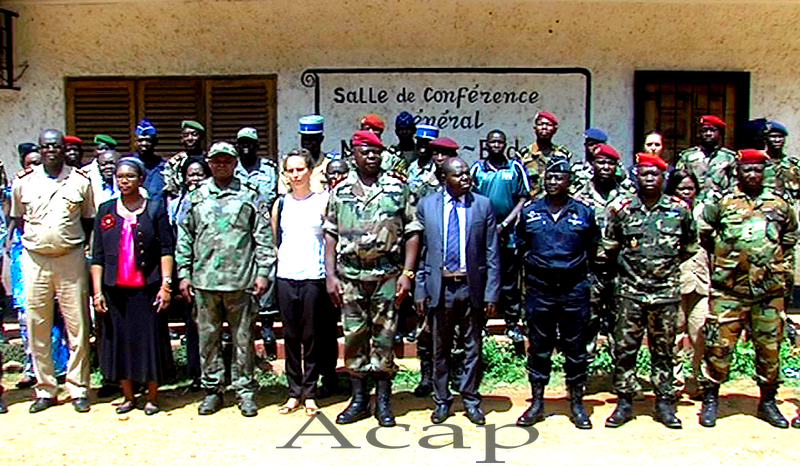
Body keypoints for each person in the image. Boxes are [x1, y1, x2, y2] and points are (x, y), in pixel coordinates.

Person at [324, 130, 422, 427]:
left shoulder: (397, 187)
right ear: (353, 155)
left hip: (387, 275)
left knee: (385, 337)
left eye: (376, 152)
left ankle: (382, 401)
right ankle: (358, 400)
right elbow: (329, 234)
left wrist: (407, 273)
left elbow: (412, 231)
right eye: (365, 152)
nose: (371, 157)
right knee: (354, 337)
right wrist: (329, 275)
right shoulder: (340, 191)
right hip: (350, 276)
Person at [696, 149, 797, 429]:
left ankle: (767, 401)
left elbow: (789, 238)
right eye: (746, 170)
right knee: (719, 346)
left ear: (764, 172)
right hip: (728, 290)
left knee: (769, 348)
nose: (752, 175)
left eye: (757, 170)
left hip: (768, 291)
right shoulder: (723, 202)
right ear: (737, 171)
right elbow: (703, 233)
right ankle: (711, 399)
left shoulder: (779, 203)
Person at [176, 141, 273, 417]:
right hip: (204, 281)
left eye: (227, 161)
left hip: (240, 281)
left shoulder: (250, 196)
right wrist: (183, 274)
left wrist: (263, 272)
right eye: (217, 161)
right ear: (209, 162)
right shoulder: (196, 197)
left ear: (234, 164)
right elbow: (185, 238)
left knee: (243, 340)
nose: (222, 165)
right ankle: (212, 390)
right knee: (208, 339)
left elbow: (263, 238)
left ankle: (244, 391)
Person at [601, 153, 696, 429]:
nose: (650, 178)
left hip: (665, 293)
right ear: (636, 177)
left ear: (664, 177)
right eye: (644, 174)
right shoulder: (621, 208)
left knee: (664, 350)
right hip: (629, 293)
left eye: (655, 174)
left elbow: (689, 247)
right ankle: (625, 402)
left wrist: (662, 271)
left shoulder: (680, 209)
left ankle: (664, 403)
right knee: (625, 349)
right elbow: (610, 248)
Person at [9, 129, 95, 414]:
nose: (51, 151)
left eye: (56, 146)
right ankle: (46, 389)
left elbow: (88, 221)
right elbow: (19, 220)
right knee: (38, 326)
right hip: (35, 260)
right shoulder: (23, 183)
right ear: (40, 149)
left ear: (63, 149)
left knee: (78, 326)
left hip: (70, 258)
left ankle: (78, 387)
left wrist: (71, 245)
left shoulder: (80, 181)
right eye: (46, 146)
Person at [515, 158, 599, 430]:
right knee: (539, 348)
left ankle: (576, 403)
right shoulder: (529, 212)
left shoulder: (584, 213)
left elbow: (593, 248)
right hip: (540, 291)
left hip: (574, 290)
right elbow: (520, 246)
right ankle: (537, 402)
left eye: (559, 178)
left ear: (569, 182)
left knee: (576, 350)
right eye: (549, 177)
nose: (553, 182)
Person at [416, 157, 499, 426]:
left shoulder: (482, 205)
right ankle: (442, 401)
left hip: (471, 286)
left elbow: (492, 252)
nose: (466, 178)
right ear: (444, 179)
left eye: (466, 173)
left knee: (472, 345)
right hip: (439, 287)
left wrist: (491, 293)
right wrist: (419, 289)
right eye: (459, 174)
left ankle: (471, 399)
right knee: (440, 347)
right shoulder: (427, 205)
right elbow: (420, 253)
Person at [91, 157, 175, 416]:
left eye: (129, 176)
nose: (123, 180)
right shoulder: (105, 210)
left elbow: (166, 249)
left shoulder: (155, 208)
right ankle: (127, 396)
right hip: (115, 290)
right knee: (120, 342)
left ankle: (151, 396)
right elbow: (97, 256)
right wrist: (97, 292)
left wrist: (166, 285)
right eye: (119, 176)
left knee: (149, 341)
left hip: (147, 288)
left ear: (140, 179)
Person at [272, 149, 329, 416]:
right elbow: (276, 239)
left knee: (312, 336)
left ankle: (311, 393)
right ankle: (294, 392)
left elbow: (331, 239)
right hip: (286, 276)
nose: (295, 175)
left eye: (300, 169)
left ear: (310, 171)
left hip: (313, 277)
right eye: (290, 170)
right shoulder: (280, 204)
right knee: (291, 336)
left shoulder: (322, 201)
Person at [10, 143, 69, 390]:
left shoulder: (69, 181)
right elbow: (14, 220)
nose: (34, 166)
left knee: (60, 318)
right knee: (30, 318)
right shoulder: (18, 186)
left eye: (37, 162)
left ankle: (61, 368)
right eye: (29, 163)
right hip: (28, 257)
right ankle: (31, 369)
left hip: (63, 258)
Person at [571, 144, 636, 359]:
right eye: (601, 162)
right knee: (586, 322)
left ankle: (623, 379)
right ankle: (581, 379)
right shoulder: (578, 197)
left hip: (621, 270)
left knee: (621, 323)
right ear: (593, 165)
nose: (606, 167)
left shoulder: (628, 197)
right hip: (588, 270)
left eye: (610, 163)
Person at [470, 129, 530, 342]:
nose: (496, 145)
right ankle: (482, 323)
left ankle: (512, 324)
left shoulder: (515, 168)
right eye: (492, 141)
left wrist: (504, 224)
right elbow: (470, 199)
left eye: (500, 142)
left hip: (509, 234)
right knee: (483, 278)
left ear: (505, 144)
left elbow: (523, 199)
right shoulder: (477, 168)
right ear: (486, 144)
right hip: (482, 235)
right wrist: (485, 226)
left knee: (509, 281)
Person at [234, 126, 279, 346]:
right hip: (239, 230)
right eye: (242, 143)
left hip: (264, 228)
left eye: (249, 143)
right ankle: (243, 323)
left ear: (257, 146)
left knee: (267, 271)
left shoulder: (270, 170)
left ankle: (267, 324)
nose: (245, 147)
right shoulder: (232, 170)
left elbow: (277, 203)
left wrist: (275, 234)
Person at [664, 169, 707, 398]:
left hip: (702, 281)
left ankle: (700, 380)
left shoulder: (706, 212)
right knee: (675, 334)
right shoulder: (667, 212)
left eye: (690, 189)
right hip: (674, 280)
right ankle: (675, 382)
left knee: (700, 332)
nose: (686, 193)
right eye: (682, 189)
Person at [168, 156, 210, 389]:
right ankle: (197, 374)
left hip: (216, 272)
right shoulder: (176, 204)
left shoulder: (215, 200)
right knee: (193, 325)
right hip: (189, 272)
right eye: (190, 174)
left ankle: (220, 374)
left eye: (199, 174)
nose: (195, 179)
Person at [675, 115, 737, 199]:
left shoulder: (729, 157)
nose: (708, 134)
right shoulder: (687, 157)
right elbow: (677, 181)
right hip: (693, 203)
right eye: (704, 130)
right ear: (699, 133)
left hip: (720, 203)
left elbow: (735, 184)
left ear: (720, 133)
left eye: (712, 130)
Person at [519, 111, 572, 198]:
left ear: (555, 129)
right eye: (540, 124)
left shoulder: (563, 154)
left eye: (548, 125)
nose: (544, 127)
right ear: (535, 128)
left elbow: (568, 181)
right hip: (532, 204)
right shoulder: (523, 155)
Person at [278, 115, 332, 194]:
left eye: (312, 139)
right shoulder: (290, 164)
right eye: (305, 139)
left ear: (321, 139)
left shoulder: (329, 165)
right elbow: (283, 193)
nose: (307, 143)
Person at [164, 120, 206, 199]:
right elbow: (170, 190)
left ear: (201, 137)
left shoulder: (209, 160)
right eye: (186, 135)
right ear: (182, 139)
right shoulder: (176, 162)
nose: (190, 138)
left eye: (194, 134)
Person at [130, 118, 166, 201]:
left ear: (155, 142)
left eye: (148, 140)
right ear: (134, 142)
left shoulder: (164, 166)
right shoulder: (128, 165)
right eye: (140, 140)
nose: (144, 144)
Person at [407, 124, 439, 190]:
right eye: (420, 141)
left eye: (427, 142)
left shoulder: (436, 169)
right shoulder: (411, 166)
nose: (423, 145)